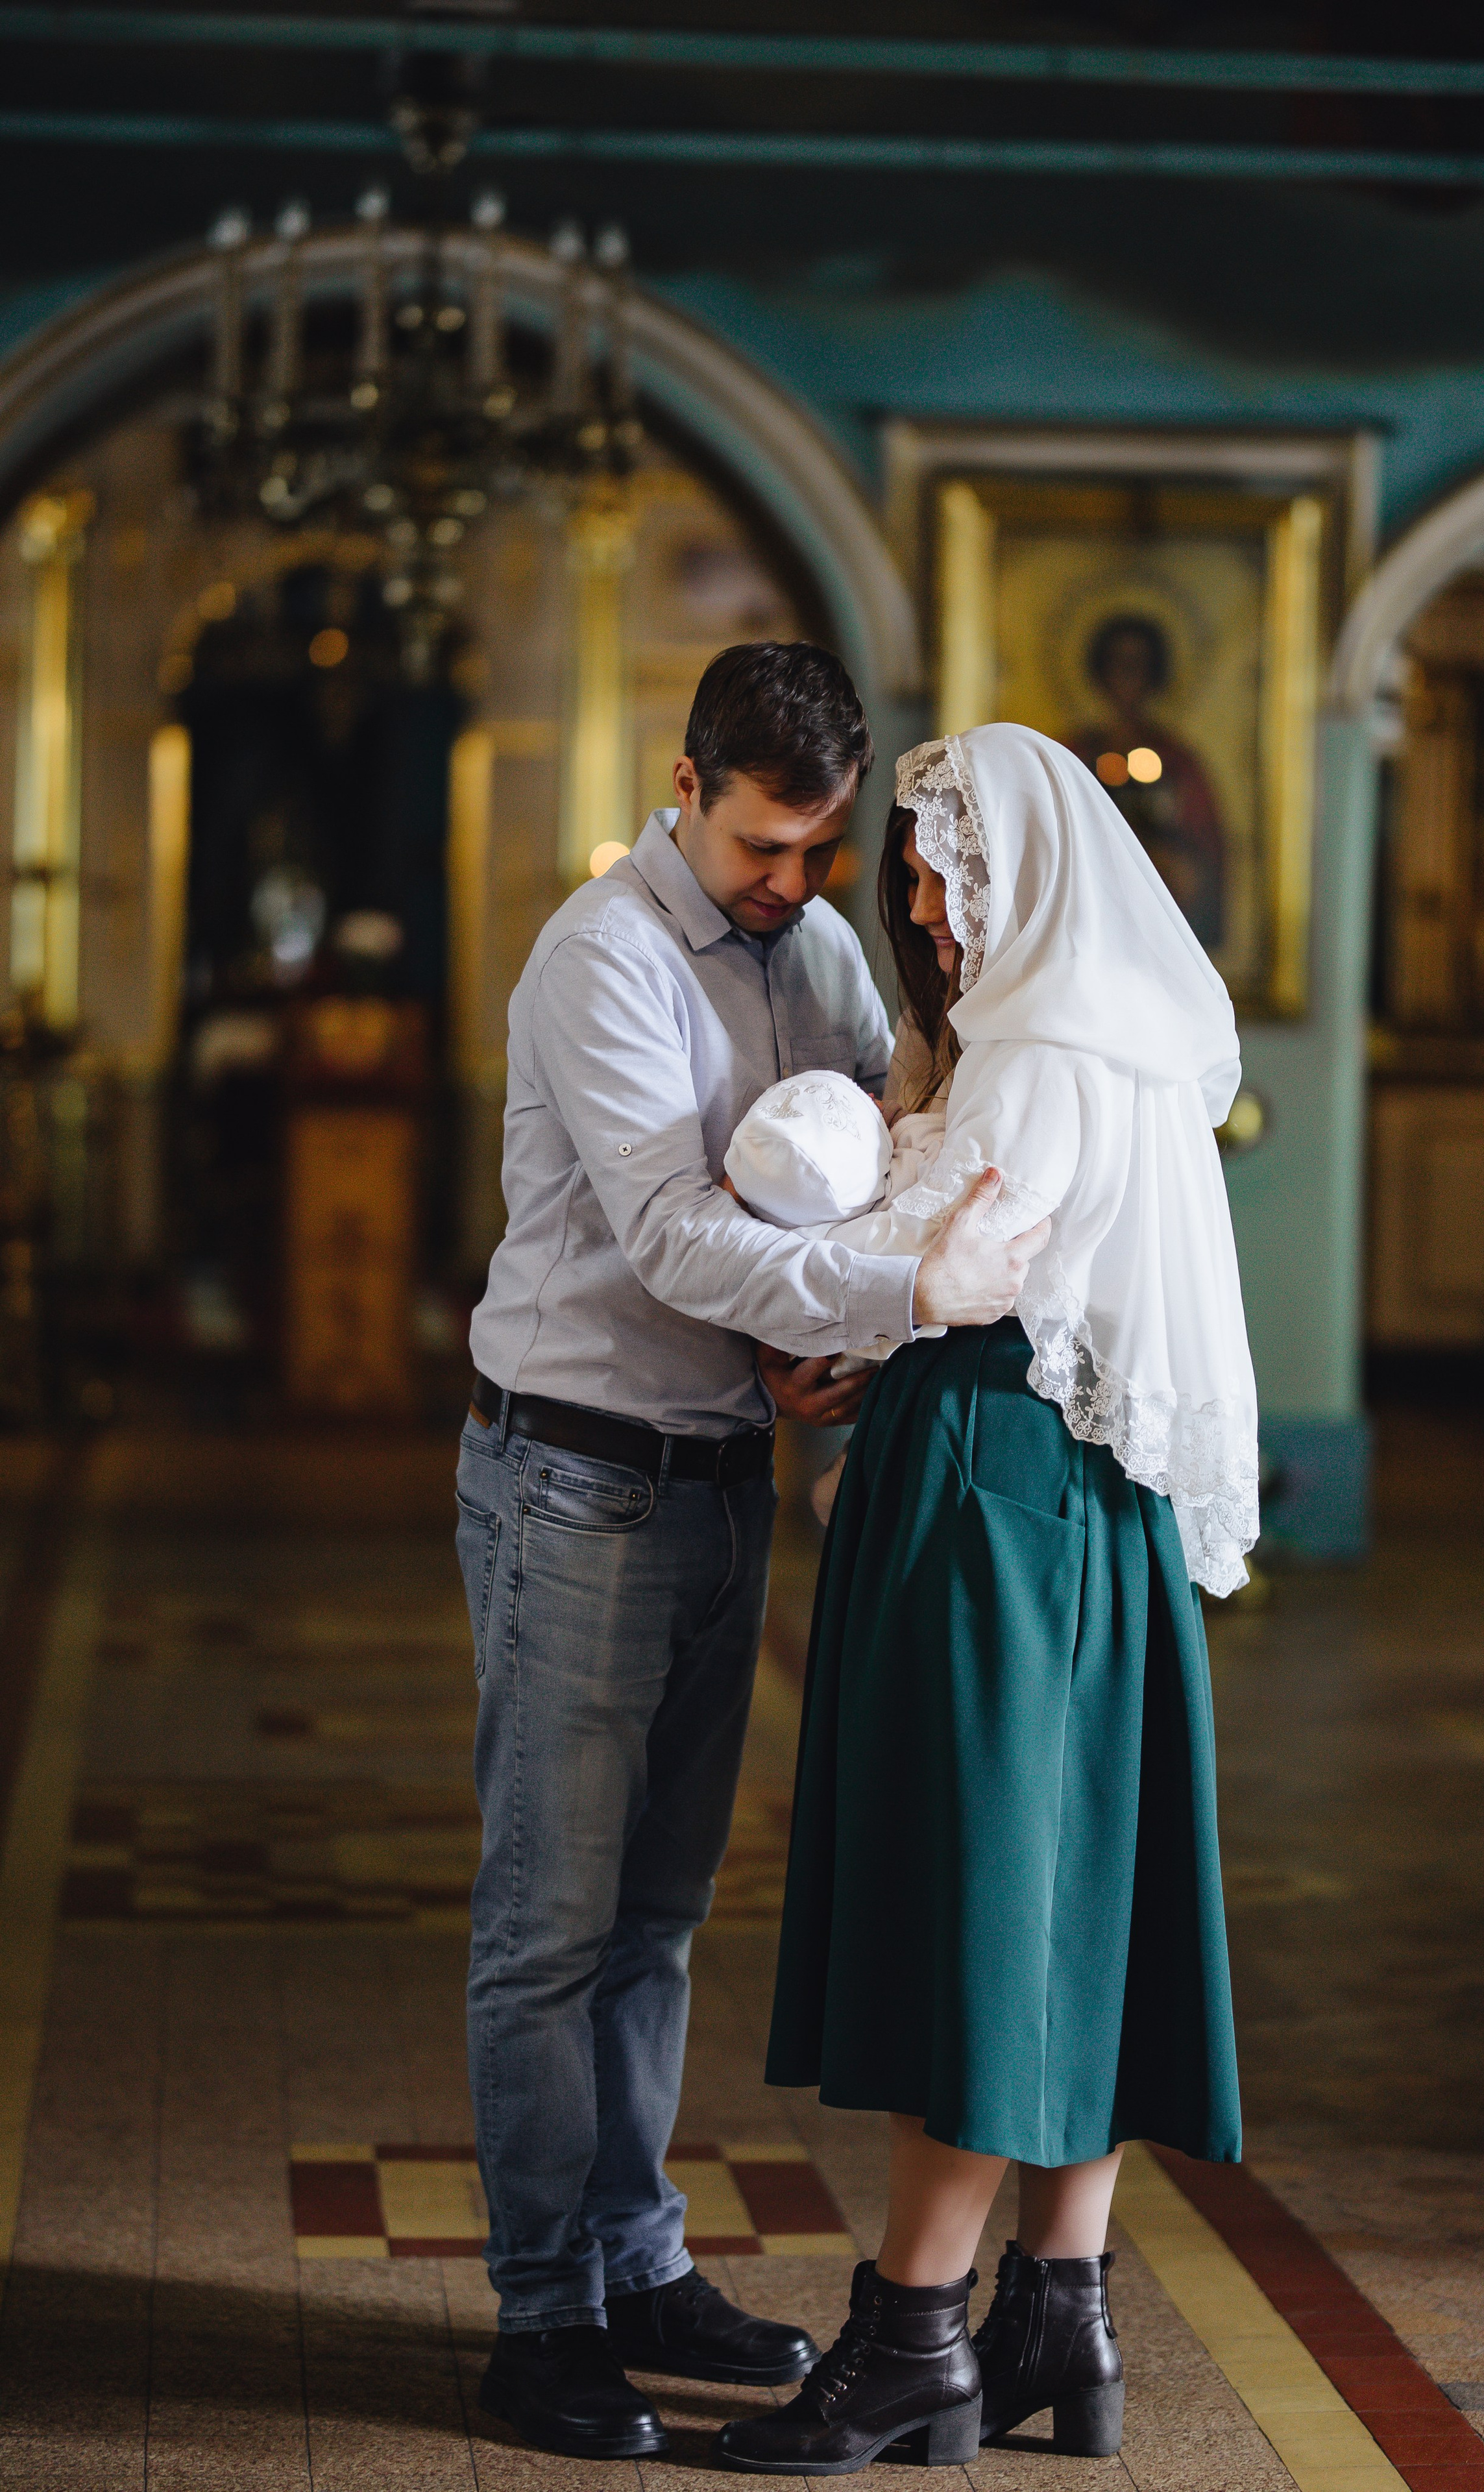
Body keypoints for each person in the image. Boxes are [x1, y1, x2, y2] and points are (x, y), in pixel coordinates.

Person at [456, 646, 1051, 2461]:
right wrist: (910, 1292)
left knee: (657, 1918)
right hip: (574, 1477)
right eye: (761, 846)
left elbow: (877, 1159)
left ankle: (638, 2265)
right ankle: (543, 2316)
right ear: (687, 785)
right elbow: (671, 1236)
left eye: (819, 848)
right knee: (550, 1926)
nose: (792, 883)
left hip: (721, 1478)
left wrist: (827, 1350)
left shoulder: (819, 956)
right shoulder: (603, 959)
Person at [712, 722, 1259, 2476]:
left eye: (952, 878)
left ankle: (910, 2338)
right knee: (1070, 1898)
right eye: (920, 886)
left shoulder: (1027, 1058)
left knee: (975, 1904)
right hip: (1088, 1506)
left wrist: (826, 1262)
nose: (934, 915)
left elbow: (912, 1267)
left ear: (1029, 872)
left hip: (987, 1495)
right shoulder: (1121, 1038)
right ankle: (1058, 2310)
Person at [1067, 612, 1228, 950]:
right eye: (1118, 663)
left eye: (1137, 665)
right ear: (1101, 671)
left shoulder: (1178, 762)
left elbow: (1206, 859)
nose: (1127, 676)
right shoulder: (1072, 756)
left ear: (1154, 674)